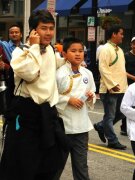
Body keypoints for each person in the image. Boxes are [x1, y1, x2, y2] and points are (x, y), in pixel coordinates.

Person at [0, 10, 66, 180]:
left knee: (49, 164)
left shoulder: (51, 50)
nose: (49, 32)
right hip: (26, 116)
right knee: (22, 166)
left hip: (48, 114)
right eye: (44, 28)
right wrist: (35, 47)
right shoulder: (20, 52)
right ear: (33, 31)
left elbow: (54, 66)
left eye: (51, 28)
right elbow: (30, 73)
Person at [56, 37, 96, 180]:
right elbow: (50, 95)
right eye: (73, 51)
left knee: (81, 166)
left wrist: (91, 97)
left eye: (81, 51)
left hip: (81, 126)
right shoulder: (59, 73)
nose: (78, 54)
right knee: (56, 165)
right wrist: (68, 99)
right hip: (62, 126)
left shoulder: (88, 73)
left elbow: (92, 91)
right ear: (65, 54)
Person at [93, 24, 128, 150]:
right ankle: (112, 140)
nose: (122, 36)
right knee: (110, 116)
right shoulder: (105, 49)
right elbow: (103, 68)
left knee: (122, 113)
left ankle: (101, 126)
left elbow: (121, 70)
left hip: (121, 88)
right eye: (121, 33)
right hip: (110, 89)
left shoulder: (120, 50)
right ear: (114, 34)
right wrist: (112, 84)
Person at [120, 35, 135, 136]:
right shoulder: (125, 56)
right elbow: (122, 71)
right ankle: (124, 127)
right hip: (128, 84)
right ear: (131, 45)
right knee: (128, 106)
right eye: (134, 44)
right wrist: (134, 78)